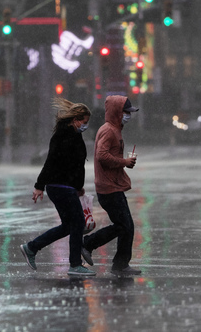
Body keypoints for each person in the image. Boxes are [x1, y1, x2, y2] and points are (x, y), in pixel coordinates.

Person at [19, 97, 96, 277]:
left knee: (69, 226)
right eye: (84, 122)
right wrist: (39, 186)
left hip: (67, 186)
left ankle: (31, 247)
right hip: (60, 186)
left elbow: (76, 165)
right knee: (77, 223)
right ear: (75, 119)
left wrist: (79, 187)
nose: (85, 125)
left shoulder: (74, 134)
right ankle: (75, 264)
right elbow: (51, 161)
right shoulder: (63, 135)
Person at [81, 95, 142, 277]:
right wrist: (124, 162)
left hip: (112, 185)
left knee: (126, 226)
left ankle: (121, 264)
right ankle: (89, 244)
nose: (128, 116)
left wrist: (124, 163)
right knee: (124, 225)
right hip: (108, 188)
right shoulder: (109, 131)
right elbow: (102, 155)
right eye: (126, 112)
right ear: (117, 112)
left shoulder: (114, 129)